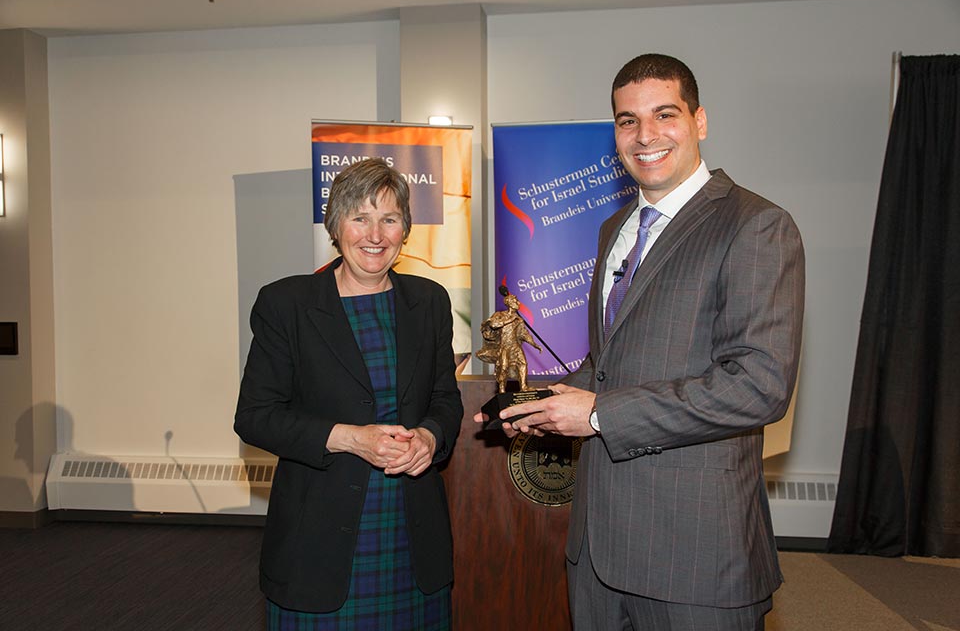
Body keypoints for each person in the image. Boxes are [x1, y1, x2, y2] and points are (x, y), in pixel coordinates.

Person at [478, 54, 805, 629]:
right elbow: (609, 364)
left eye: (664, 114)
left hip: (696, 553)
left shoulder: (756, 225)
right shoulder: (615, 229)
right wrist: (547, 404)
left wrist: (600, 414)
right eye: (627, 120)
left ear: (699, 121)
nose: (645, 135)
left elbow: (759, 386)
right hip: (599, 549)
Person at [236, 157, 463, 629]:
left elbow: (445, 398)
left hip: (411, 539)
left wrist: (430, 436)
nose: (374, 234)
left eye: (389, 218)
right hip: (317, 545)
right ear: (335, 226)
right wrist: (349, 437)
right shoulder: (287, 304)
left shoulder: (430, 302)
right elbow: (255, 416)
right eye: (359, 217)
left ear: (405, 229)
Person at [476, 293, 542, 392]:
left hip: (515, 346)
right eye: (515, 301)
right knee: (503, 367)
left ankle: (523, 386)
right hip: (504, 347)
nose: (518, 303)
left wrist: (535, 345)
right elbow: (494, 325)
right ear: (509, 303)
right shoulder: (499, 315)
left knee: (523, 364)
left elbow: (524, 334)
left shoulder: (519, 320)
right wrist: (511, 319)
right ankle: (502, 389)